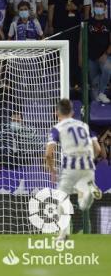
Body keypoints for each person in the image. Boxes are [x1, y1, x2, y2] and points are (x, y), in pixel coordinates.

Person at [45, 99, 102, 240]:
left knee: (61, 199)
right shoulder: (84, 125)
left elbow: (48, 153)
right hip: (88, 166)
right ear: (72, 112)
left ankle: (63, 234)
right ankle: (89, 191)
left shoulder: (57, 128)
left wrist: (51, 169)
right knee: (83, 205)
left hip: (70, 167)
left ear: (56, 113)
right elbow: (98, 149)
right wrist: (91, 159)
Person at [81, 0, 111, 103]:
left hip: (105, 56)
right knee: (94, 84)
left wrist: (106, 54)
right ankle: (95, 106)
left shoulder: (109, 23)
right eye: (97, 6)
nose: (99, 8)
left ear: (105, 8)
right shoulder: (87, 22)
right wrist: (81, 57)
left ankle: (102, 92)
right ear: (93, 8)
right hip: (91, 57)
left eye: (101, 6)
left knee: (108, 69)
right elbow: (81, 41)